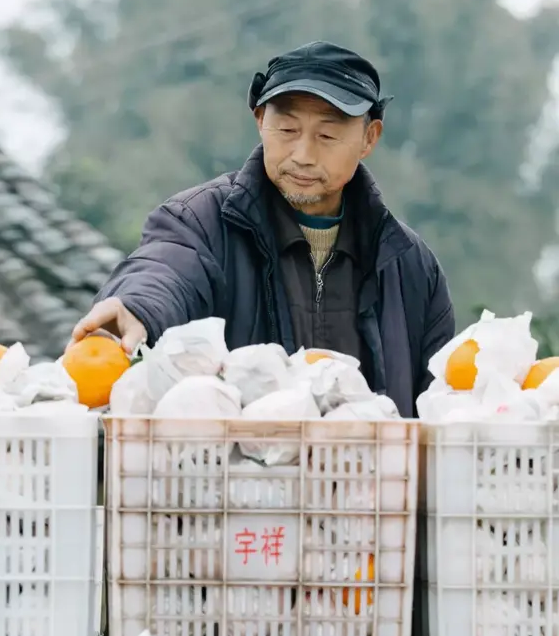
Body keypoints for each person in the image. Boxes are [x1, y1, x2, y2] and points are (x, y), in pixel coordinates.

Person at [71, 40, 455, 416]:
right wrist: (138, 306)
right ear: (260, 121)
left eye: (327, 135)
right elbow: (165, 267)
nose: (302, 155)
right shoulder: (200, 222)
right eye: (286, 130)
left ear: (369, 138)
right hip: (226, 476)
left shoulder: (410, 267)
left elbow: (442, 405)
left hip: (368, 478)